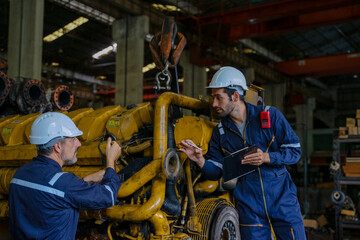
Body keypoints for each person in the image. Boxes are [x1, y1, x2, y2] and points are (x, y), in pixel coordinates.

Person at [179, 66, 306, 239]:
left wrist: (267, 157)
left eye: (219, 97)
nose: (214, 103)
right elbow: (216, 172)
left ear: (235, 96)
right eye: (212, 97)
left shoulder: (270, 116)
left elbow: (294, 150)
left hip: (282, 200)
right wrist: (199, 160)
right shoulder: (220, 132)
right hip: (249, 207)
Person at [9, 112, 122, 240]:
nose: (78, 144)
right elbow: (109, 196)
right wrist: (110, 161)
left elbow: (51, 195)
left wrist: (84, 180)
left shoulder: (19, 175)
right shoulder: (65, 184)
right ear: (57, 146)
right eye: (73, 139)